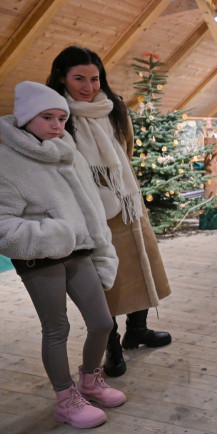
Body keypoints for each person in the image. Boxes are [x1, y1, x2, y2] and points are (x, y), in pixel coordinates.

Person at [0, 81, 126, 428]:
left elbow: (86, 203)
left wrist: (98, 237)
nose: (56, 125)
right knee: (56, 328)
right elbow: (3, 225)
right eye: (47, 117)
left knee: (102, 321)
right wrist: (52, 234)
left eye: (60, 117)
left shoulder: (67, 150)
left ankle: (90, 380)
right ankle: (65, 399)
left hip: (79, 248)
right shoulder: (7, 161)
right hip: (40, 257)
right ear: (26, 118)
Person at [47, 46, 171, 378]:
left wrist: (120, 184)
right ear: (62, 78)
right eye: (79, 79)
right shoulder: (57, 114)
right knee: (107, 279)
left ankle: (138, 329)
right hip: (91, 210)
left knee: (142, 268)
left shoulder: (113, 108)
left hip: (127, 202)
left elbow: (126, 148)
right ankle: (112, 349)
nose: (88, 87)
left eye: (94, 78)